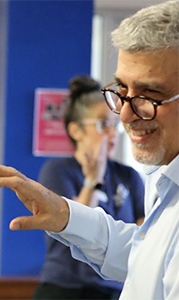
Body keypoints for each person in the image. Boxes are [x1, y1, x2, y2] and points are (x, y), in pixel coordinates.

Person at [0, 1, 178, 299]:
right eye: (121, 92)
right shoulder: (161, 177)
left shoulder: (133, 175)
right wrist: (65, 215)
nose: (124, 116)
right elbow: (144, 252)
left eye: (150, 95)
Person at [32, 75, 145, 300]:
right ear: (75, 131)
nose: (112, 133)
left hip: (113, 290)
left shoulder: (129, 176)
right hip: (65, 289)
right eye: (103, 124)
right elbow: (74, 229)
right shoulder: (57, 171)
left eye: (114, 125)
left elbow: (144, 239)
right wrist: (93, 180)